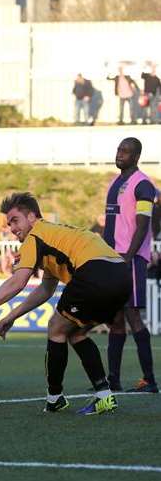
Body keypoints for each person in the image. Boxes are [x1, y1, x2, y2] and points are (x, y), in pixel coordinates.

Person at [0, 193, 130, 415]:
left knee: (56, 328)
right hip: (121, 275)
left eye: (15, 220)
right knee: (75, 333)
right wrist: (10, 317)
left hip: (94, 273)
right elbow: (45, 290)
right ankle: (103, 395)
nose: (12, 228)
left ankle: (55, 398)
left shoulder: (35, 236)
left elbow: (17, 282)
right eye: (9, 223)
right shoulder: (54, 235)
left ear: (32, 217)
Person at [102, 137, 158, 393]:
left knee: (133, 315)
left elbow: (143, 223)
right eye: (119, 149)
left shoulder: (143, 184)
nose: (120, 154)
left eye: (125, 151)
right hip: (112, 258)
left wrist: (129, 256)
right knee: (115, 319)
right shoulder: (115, 182)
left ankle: (150, 381)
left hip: (131, 258)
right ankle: (113, 381)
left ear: (136, 157)